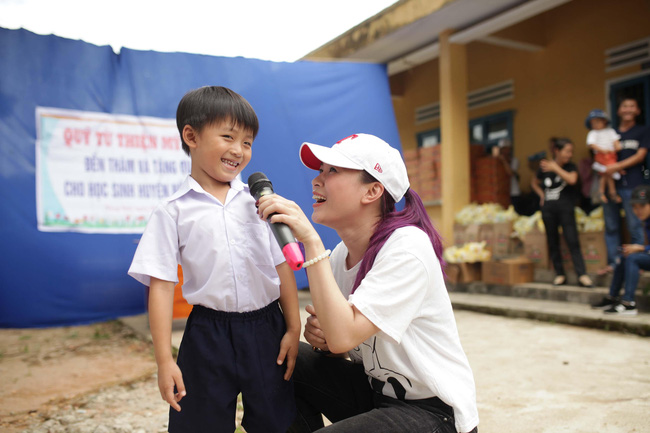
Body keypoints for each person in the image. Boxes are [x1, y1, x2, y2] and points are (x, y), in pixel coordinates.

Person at [257, 133, 479, 433]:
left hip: (434, 413)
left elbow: (345, 335)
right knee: (281, 358)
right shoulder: (340, 256)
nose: (317, 180)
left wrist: (310, 240)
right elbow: (340, 346)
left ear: (372, 191)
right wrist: (324, 339)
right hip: (376, 395)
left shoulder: (407, 247)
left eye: (332, 171)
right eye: (320, 171)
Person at [128, 86, 300, 433]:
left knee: (277, 421)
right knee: (198, 424)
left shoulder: (259, 203)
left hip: (267, 329)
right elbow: (160, 287)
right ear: (191, 136)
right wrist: (164, 360)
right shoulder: (172, 211)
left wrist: (293, 328)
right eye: (228, 137)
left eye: (248, 142)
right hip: (207, 334)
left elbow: (282, 266)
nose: (239, 150)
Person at [531, 138, 594, 287]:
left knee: (573, 241)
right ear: (557, 151)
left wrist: (556, 168)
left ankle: (582, 275)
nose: (570, 154)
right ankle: (560, 274)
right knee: (553, 242)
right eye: (567, 151)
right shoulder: (545, 167)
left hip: (566, 208)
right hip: (548, 210)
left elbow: (572, 180)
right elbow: (534, 182)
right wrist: (541, 195)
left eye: (571, 151)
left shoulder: (571, 166)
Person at [598, 98, 650, 276]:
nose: (628, 109)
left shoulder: (642, 131)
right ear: (618, 111)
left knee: (635, 224)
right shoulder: (609, 134)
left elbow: (640, 156)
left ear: (638, 111)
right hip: (610, 185)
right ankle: (614, 264)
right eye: (624, 106)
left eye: (632, 106)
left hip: (633, 186)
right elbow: (600, 155)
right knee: (611, 226)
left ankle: (639, 263)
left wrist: (616, 167)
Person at [592, 184, 650, 316]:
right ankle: (612, 297)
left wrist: (640, 248)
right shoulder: (646, 221)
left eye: (642, 206)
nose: (638, 211)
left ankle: (629, 304)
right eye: (635, 207)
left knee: (632, 258)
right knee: (624, 256)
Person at [585, 109, 622, 203]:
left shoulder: (610, 131)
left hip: (611, 155)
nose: (595, 125)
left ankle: (604, 192)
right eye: (593, 123)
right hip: (601, 155)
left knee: (607, 174)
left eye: (597, 122)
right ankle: (610, 193)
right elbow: (591, 144)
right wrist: (603, 150)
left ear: (604, 121)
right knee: (608, 173)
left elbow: (616, 142)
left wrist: (617, 147)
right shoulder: (593, 133)